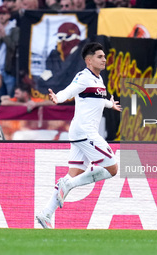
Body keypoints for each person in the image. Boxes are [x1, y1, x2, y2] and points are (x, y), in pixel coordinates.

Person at [36, 42, 122, 229]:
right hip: (85, 132)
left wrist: (110, 104)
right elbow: (70, 90)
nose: (104, 59)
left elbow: (96, 99)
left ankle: (45, 214)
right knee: (112, 168)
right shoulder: (83, 77)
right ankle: (69, 186)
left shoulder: (98, 79)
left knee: (74, 174)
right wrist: (57, 98)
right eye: (99, 57)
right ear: (89, 60)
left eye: (104, 56)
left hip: (80, 133)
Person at [0, 5, 20, 98]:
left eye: (4, 14)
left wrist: (5, 37)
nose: (1, 16)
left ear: (9, 15)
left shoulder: (15, 30)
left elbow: (14, 47)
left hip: (9, 69)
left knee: (11, 96)